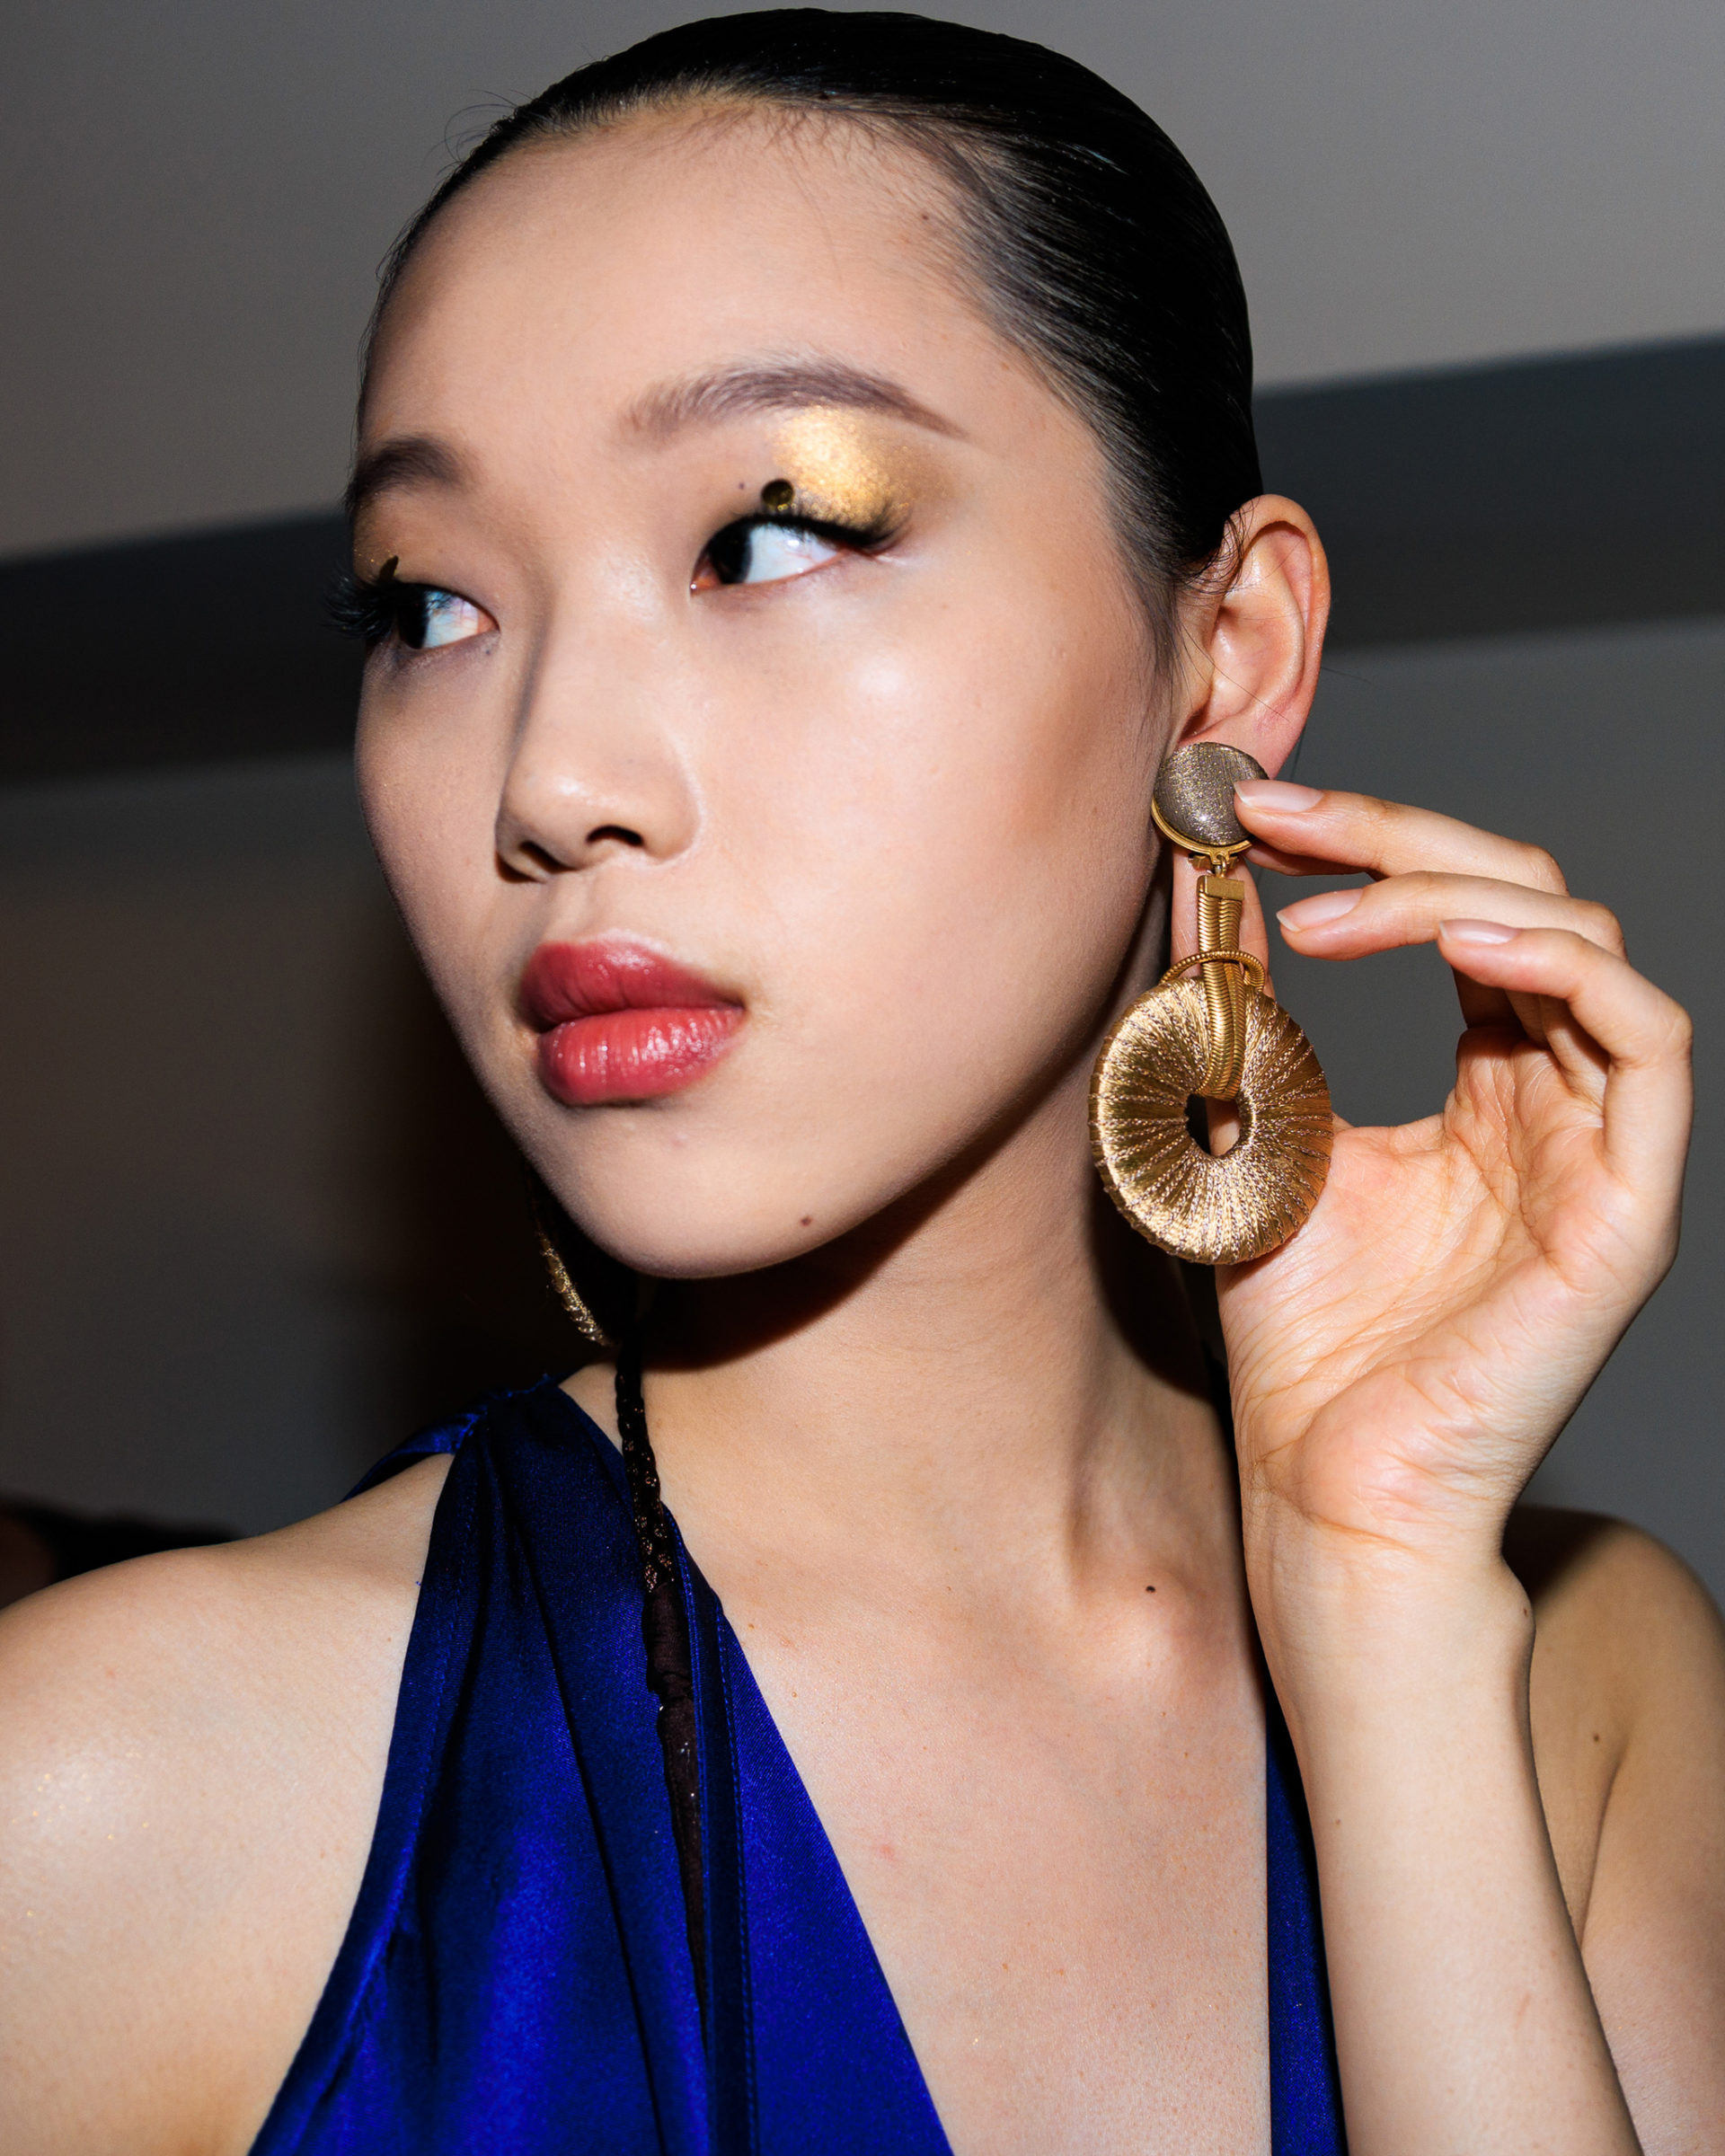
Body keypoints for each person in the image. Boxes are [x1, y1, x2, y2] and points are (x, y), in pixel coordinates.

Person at [3, 13, 1721, 2152]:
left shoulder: (1583, 1689)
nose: (552, 778)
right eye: (428, 606)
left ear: (1228, 656)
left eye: (769, 535)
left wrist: (1383, 1619)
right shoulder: (103, 1800)